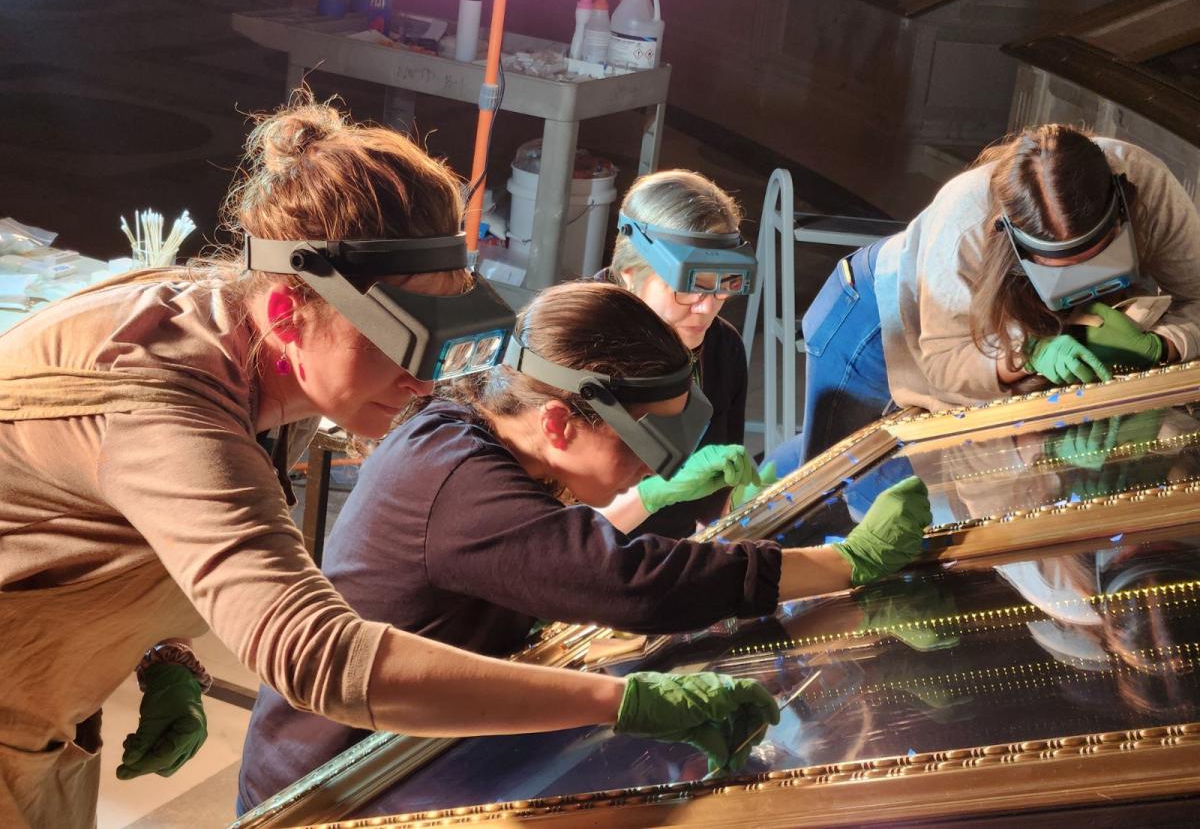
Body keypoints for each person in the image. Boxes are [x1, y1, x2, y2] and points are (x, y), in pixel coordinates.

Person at [0, 97, 777, 827]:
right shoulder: (166, 401)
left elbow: (135, 521)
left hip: (45, 698)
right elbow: (318, 656)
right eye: (402, 343)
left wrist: (162, 648)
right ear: (288, 311)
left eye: (444, 343)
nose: (426, 381)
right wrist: (619, 702)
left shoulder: (260, 347)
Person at [236, 280, 933, 811]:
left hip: (417, 741)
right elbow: (631, 584)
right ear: (560, 423)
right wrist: (845, 563)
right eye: (643, 447)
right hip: (337, 784)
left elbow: (548, 550)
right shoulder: (456, 481)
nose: (657, 471)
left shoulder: (466, 429)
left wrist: (645, 502)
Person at [773, 125, 1200, 475]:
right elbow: (942, 359)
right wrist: (1026, 354)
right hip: (874, 319)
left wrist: (1165, 346)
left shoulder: (1149, 186)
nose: (1086, 286)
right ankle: (741, 508)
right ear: (1012, 242)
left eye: (1098, 259)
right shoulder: (964, 223)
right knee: (834, 475)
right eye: (1063, 269)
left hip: (961, 310)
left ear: (1121, 209)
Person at [600, 169, 760, 539]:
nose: (707, 308)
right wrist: (652, 494)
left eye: (724, 287)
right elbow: (550, 533)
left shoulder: (722, 348)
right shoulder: (571, 349)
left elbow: (717, 503)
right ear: (629, 274)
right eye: (689, 289)